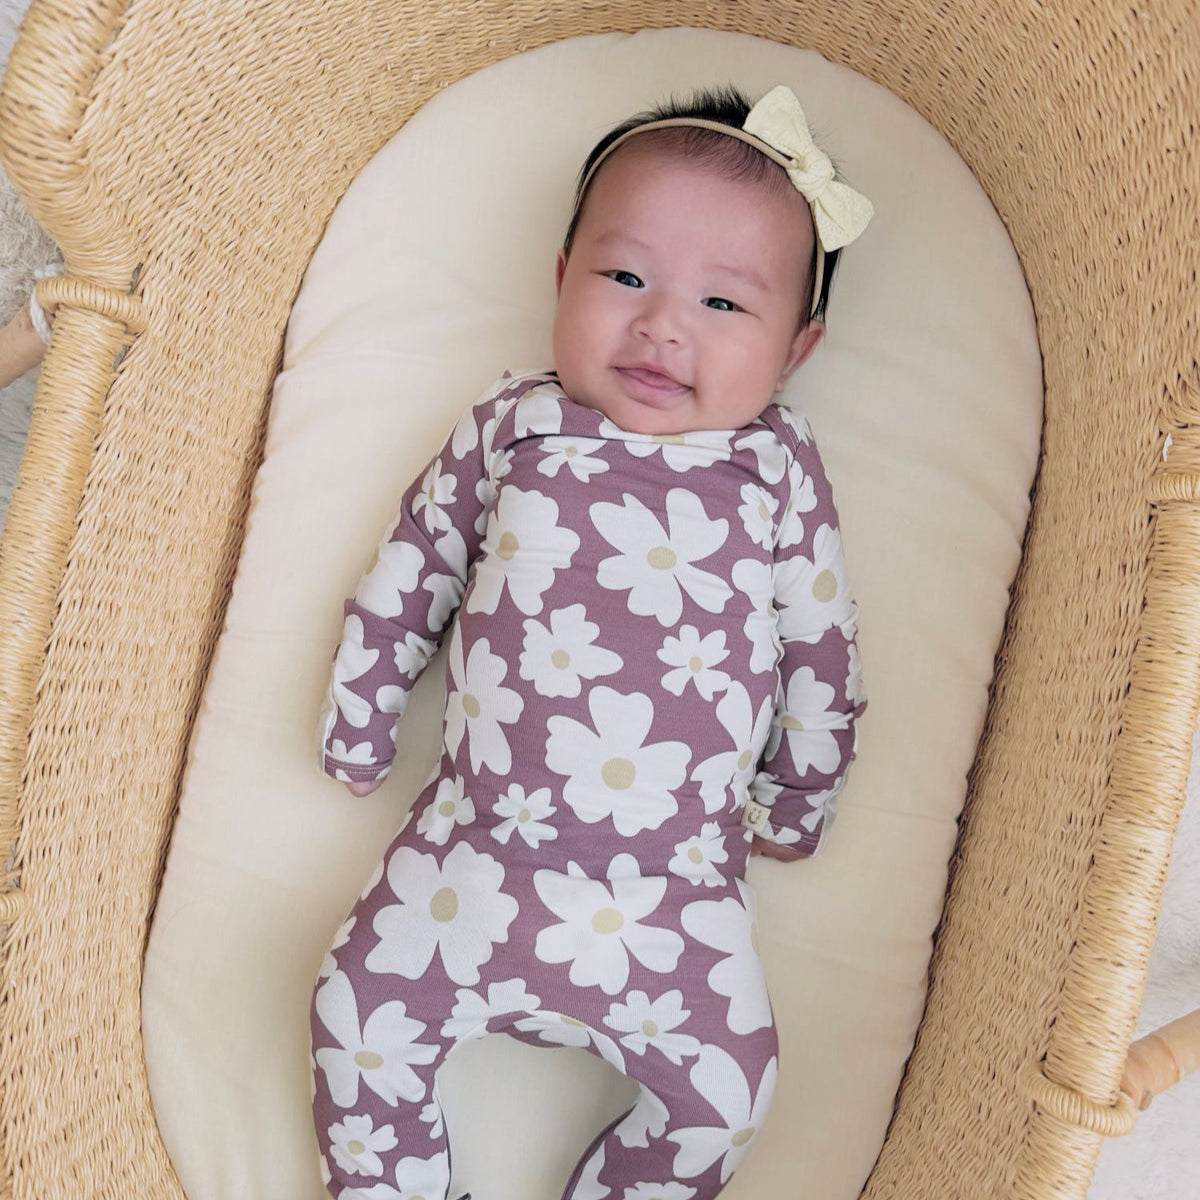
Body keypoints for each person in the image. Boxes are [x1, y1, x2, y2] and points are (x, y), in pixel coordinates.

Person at [310, 82, 871, 1200]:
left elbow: (823, 648)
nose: (662, 324)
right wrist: (360, 718)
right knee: (352, 1015)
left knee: (729, 1101)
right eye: (623, 279)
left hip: (675, 902)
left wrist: (800, 797)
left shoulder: (774, 471)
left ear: (796, 349)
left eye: (724, 302)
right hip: (471, 860)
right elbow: (414, 566)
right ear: (560, 277)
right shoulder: (516, 424)